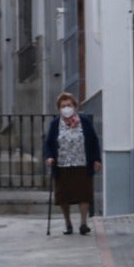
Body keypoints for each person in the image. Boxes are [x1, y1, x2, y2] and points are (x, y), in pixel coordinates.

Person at [42, 92, 101, 235]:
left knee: (84, 194)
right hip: (63, 164)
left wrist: (97, 159)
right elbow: (48, 143)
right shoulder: (56, 123)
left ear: (74, 106)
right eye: (63, 106)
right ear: (59, 108)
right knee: (63, 196)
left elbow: (93, 141)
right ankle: (68, 224)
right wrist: (49, 157)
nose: (66, 108)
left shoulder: (84, 121)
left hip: (82, 163)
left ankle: (83, 224)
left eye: (69, 105)